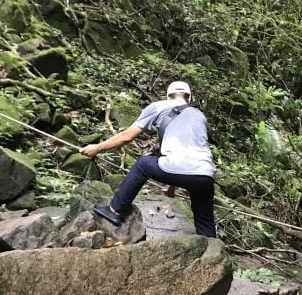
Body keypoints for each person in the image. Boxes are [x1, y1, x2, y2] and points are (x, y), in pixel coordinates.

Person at [80, 81, 217, 237]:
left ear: (168, 96)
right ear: (190, 98)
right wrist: (171, 187)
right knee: (204, 220)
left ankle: (114, 210)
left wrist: (97, 148)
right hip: (205, 174)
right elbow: (186, 152)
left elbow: (126, 136)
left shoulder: (158, 107)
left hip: (175, 167)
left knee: (143, 164)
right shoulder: (200, 116)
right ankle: (212, 251)